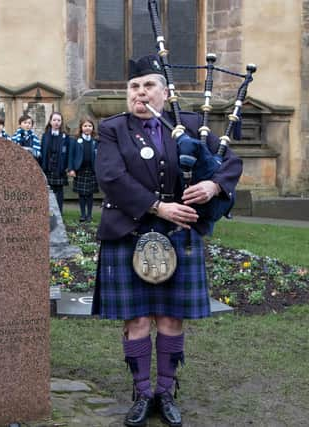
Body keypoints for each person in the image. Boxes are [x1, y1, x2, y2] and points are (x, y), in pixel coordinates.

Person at [92, 54, 242, 427]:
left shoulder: (190, 124)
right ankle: (142, 391)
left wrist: (213, 184)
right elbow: (111, 177)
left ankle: (166, 390)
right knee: (138, 318)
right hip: (130, 231)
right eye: (133, 87)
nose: (140, 93)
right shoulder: (112, 129)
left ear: (164, 92)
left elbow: (229, 164)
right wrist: (158, 208)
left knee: (172, 318)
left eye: (148, 86)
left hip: (180, 236)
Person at [68, 118, 99, 222]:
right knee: (81, 194)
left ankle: (89, 214)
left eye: (90, 126)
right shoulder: (76, 140)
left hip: (91, 170)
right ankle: (82, 214)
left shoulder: (95, 140)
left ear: (92, 128)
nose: (87, 128)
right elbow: (71, 155)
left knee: (90, 194)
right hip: (80, 170)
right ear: (81, 128)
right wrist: (71, 169)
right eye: (85, 126)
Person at [40, 111, 70, 213]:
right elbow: (42, 152)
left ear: (61, 122)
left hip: (60, 168)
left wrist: (66, 166)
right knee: (49, 191)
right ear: (50, 121)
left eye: (59, 120)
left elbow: (68, 153)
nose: (56, 122)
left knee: (60, 191)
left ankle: (59, 212)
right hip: (48, 167)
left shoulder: (65, 136)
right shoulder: (45, 136)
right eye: (54, 120)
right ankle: (50, 212)